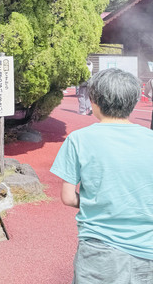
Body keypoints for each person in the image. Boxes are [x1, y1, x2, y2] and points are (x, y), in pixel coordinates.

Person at [50, 68, 153, 283]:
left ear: (94, 101)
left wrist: (100, 201)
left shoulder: (78, 139)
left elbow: (68, 197)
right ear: (134, 101)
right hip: (147, 249)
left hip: (98, 249)